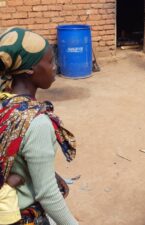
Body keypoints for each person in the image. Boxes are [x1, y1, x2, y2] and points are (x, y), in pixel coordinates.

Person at [0, 27, 78, 225]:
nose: (54, 67)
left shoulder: (4, 102)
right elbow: (48, 195)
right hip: (20, 216)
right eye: (50, 61)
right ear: (29, 70)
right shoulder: (36, 123)